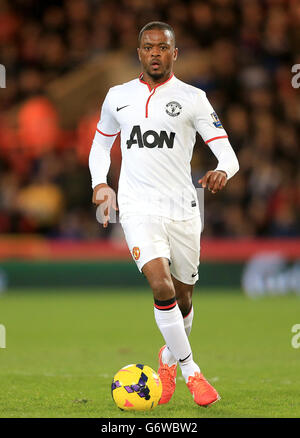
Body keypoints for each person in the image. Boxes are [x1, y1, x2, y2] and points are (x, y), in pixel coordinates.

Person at [89, 21, 239, 407]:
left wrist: (223, 170)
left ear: (175, 53)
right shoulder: (117, 96)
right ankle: (192, 372)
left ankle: (168, 358)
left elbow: (228, 154)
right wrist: (99, 183)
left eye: (162, 47)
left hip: (184, 208)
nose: (154, 53)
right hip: (138, 207)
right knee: (161, 287)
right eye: (147, 47)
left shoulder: (193, 98)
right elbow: (100, 146)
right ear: (139, 53)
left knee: (184, 299)